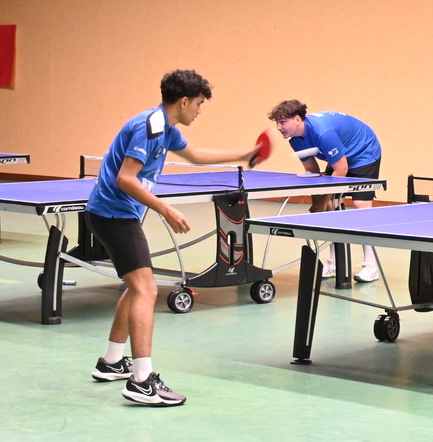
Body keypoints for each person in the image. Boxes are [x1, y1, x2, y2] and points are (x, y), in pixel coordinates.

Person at [86, 69, 261, 406]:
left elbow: (194, 156)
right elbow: (125, 178)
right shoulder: (150, 128)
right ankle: (142, 381)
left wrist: (242, 155)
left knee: (137, 287)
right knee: (147, 289)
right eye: (198, 104)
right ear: (183, 101)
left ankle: (111, 362)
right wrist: (166, 209)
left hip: (114, 213)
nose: (199, 110)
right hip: (113, 215)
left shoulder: (165, 127)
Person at [267, 100, 383, 283]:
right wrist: (318, 202)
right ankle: (334, 264)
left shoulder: (323, 133)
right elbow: (312, 171)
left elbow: (342, 169)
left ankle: (371, 266)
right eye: (277, 123)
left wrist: (322, 201)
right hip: (340, 157)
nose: (278, 127)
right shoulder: (295, 140)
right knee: (331, 207)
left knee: (361, 206)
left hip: (363, 152)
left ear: (297, 119)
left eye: (282, 122)